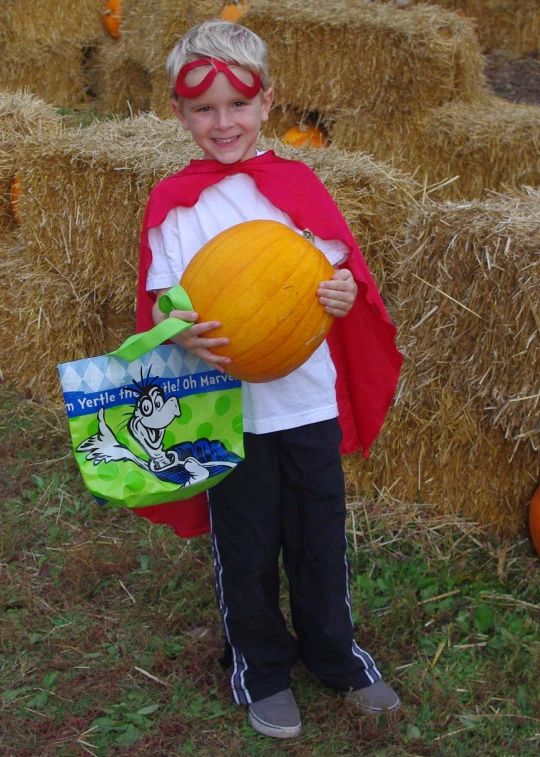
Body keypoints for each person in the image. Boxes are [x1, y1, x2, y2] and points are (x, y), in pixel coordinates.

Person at [135, 19, 403, 740]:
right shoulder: (176, 205)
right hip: (227, 412)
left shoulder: (297, 185)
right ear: (179, 113)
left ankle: (336, 654)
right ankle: (260, 666)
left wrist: (344, 295)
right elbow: (162, 304)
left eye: (237, 105)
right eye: (204, 109)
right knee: (245, 545)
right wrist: (180, 328)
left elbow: (337, 278)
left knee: (319, 535)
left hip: (305, 400)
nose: (223, 123)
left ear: (267, 102)